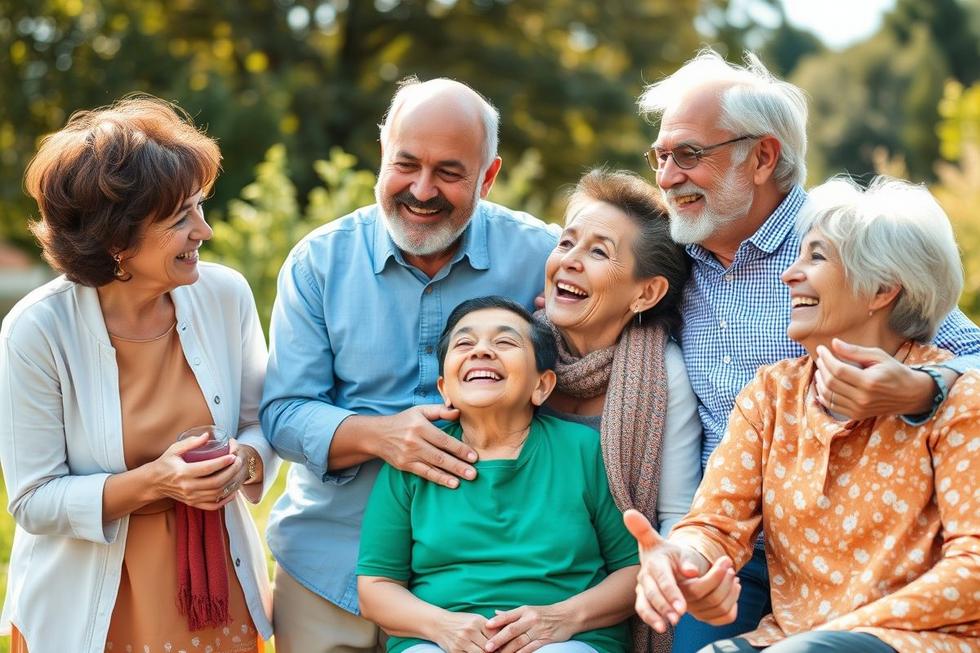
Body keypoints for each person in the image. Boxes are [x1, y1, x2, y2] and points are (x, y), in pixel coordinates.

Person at [635, 49, 980, 651]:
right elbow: (714, 518)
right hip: (740, 552)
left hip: (885, 586)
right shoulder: (672, 258)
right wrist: (685, 556)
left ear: (762, 157)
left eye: (688, 154)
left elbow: (967, 357)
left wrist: (927, 389)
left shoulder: (856, 235)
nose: (665, 177)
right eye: (660, 157)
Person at [260, 78, 558, 653]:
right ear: (382, 153)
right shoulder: (319, 262)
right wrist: (381, 436)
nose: (422, 190)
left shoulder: (541, 256)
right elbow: (284, 413)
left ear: (488, 177)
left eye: (449, 172)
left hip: (484, 579)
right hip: (331, 565)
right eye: (406, 164)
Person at [0, 97, 278, 652]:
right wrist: (157, 481)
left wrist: (244, 461)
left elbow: (264, 421)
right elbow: (33, 499)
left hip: (216, 590)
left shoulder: (226, 295)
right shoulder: (37, 330)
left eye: (200, 207)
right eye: (180, 219)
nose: (205, 230)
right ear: (116, 242)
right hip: (85, 607)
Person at [358, 296, 639, 653]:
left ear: (542, 386)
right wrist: (444, 627)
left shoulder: (585, 450)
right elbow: (376, 588)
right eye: (464, 343)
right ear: (444, 388)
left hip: (565, 640)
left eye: (505, 342)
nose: (481, 351)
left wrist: (560, 618)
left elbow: (634, 571)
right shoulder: (412, 460)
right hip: (437, 641)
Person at [528, 169, 702, 653]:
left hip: (610, 598)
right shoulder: (516, 349)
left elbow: (674, 515)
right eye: (566, 243)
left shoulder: (663, 373)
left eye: (599, 252)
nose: (570, 261)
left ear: (646, 293)